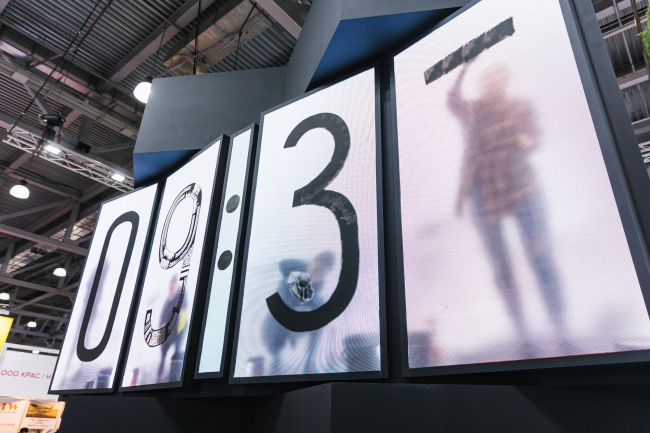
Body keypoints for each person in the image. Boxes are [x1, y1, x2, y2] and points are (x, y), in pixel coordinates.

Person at [448, 62, 567, 356]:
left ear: (505, 83)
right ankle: (524, 336)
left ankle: (561, 329)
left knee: (541, 256)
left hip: (521, 188)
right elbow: (452, 100)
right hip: (485, 194)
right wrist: (465, 64)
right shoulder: (473, 110)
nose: (492, 85)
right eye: (488, 80)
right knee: (502, 268)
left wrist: (521, 138)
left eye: (497, 80)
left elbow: (534, 139)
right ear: (482, 84)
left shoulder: (519, 106)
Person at [262, 252, 335, 374]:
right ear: (309, 264)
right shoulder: (289, 280)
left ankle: (309, 361)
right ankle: (275, 359)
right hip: (273, 331)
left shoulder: (316, 298)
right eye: (315, 269)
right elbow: (282, 307)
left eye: (321, 273)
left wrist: (310, 358)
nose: (315, 274)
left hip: (294, 331)